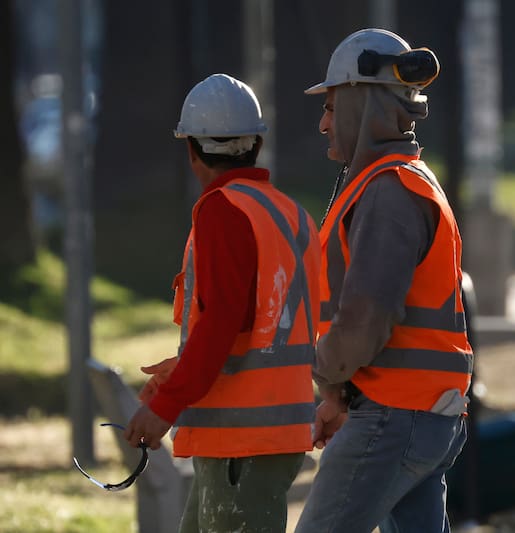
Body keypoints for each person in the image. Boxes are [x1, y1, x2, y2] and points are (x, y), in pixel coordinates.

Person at [123, 73, 321, 533]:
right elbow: (264, 326)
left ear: (192, 151)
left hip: (242, 437)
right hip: (272, 431)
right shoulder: (289, 213)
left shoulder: (223, 210)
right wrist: (182, 372)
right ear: (256, 145)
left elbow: (222, 322)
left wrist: (165, 405)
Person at [295, 29, 473, 533]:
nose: (324, 123)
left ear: (363, 104)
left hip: (395, 416)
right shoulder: (404, 181)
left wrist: (326, 373)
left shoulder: (387, 192)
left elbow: (366, 321)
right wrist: (340, 397)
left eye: (332, 107)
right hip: (421, 413)